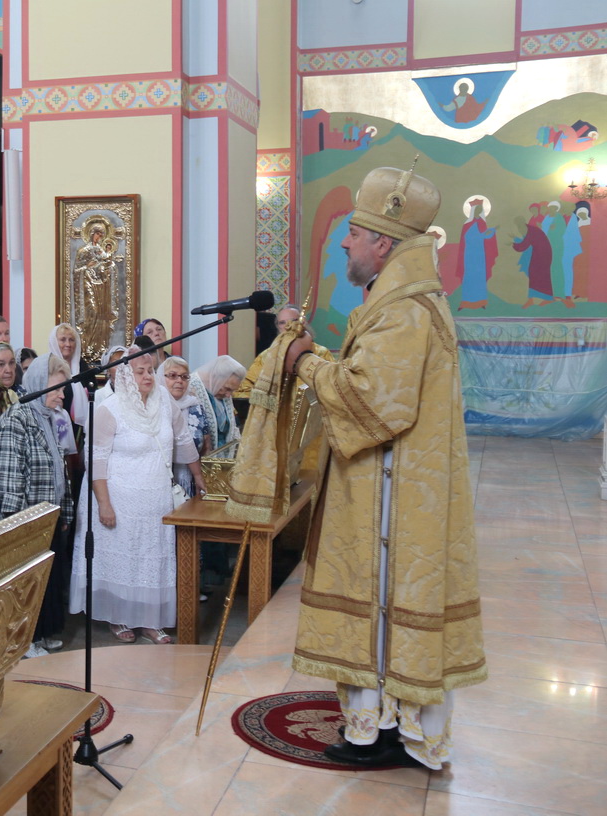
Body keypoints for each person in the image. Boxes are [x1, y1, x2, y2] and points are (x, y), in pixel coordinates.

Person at [282, 164, 485, 769]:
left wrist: (304, 363)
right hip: (395, 488)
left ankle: (377, 732)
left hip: (390, 501)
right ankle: (390, 721)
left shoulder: (404, 311)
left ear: (384, 242)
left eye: (353, 232)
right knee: (387, 607)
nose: (345, 243)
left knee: (380, 601)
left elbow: (374, 401)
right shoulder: (406, 302)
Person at [69, 355, 202, 645]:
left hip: (155, 500)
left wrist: (201, 480)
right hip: (120, 500)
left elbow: (184, 441)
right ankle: (118, 617)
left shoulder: (164, 402)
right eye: (140, 372)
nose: (148, 376)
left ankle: (150, 621)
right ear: (126, 376)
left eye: (151, 370)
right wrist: (104, 504)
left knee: (151, 561)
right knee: (123, 560)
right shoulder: (110, 409)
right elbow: (96, 460)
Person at [0, 353, 74, 655]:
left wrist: (65, 511)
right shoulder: (17, 418)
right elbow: (10, 478)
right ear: (39, 384)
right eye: (57, 388)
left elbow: (58, 467)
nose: (62, 395)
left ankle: (42, 632)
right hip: (27, 520)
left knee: (46, 582)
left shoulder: (47, 416)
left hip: (49, 516)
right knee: (25, 584)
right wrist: (19, 525)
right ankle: (23, 641)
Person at [235, 305, 334, 398]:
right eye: (282, 322)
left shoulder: (321, 353)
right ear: (278, 327)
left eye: (293, 321)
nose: (288, 326)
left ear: (303, 322)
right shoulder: (266, 356)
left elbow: (333, 388)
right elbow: (245, 390)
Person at [158, 356, 209, 493]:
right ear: (161, 378)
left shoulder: (196, 407)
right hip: (159, 479)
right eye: (172, 375)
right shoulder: (154, 408)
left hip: (192, 480)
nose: (179, 381)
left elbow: (206, 445)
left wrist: (200, 475)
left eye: (184, 376)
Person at [193, 355, 245, 454]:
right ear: (216, 378)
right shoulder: (193, 387)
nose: (228, 395)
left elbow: (232, 427)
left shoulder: (224, 394)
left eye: (232, 391)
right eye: (227, 389)